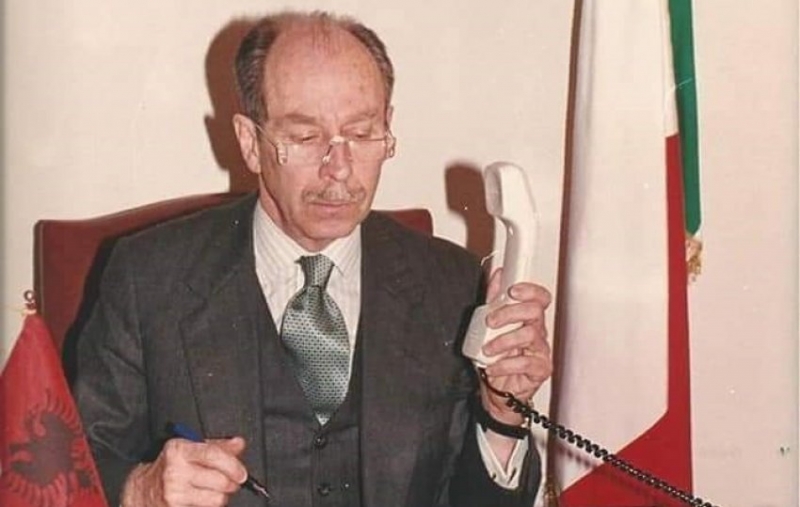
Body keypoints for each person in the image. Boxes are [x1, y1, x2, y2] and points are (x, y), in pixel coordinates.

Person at [74, 10, 552, 507]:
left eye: (361, 133)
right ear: (250, 143)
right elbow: (69, 467)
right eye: (305, 137)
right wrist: (140, 490)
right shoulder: (148, 277)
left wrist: (502, 413)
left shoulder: (451, 285)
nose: (339, 169)